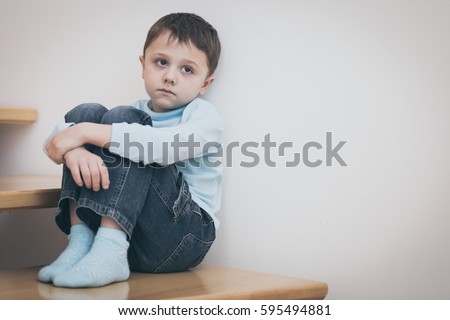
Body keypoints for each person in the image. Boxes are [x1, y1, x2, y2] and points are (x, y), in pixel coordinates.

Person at [38, 12, 223, 288]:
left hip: (183, 237)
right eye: (161, 62)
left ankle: (109, 249)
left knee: (119, 125)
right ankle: (82, 242)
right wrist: (74, 151)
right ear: (143, 65)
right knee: (89, 112)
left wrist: (83, 133)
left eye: (187, 70)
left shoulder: (205, 119)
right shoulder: (131, 114)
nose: (170, 76)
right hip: (133, 238)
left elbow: (161, 147)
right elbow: (55, 142)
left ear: (205, 83)